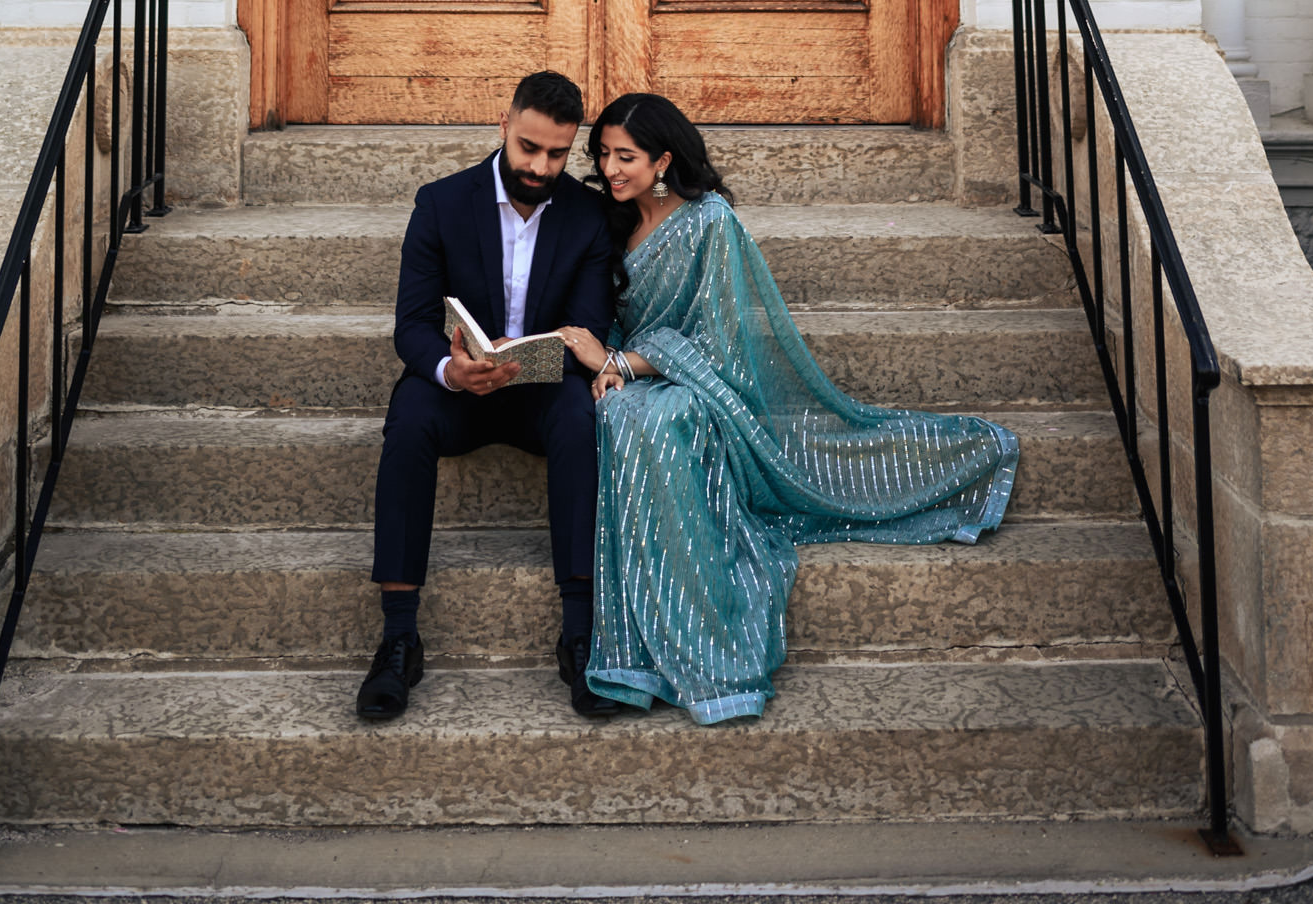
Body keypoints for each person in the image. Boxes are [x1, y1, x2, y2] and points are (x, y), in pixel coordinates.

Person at [558, 92, 1020, 725]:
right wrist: (603, 360)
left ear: (663, 160)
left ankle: (710, 649)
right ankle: (642, 649)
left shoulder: (707, 221)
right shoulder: (604, 220)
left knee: (658, 420)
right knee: (622, 417)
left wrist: (622, 365)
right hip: (628, 378)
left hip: (698, 381)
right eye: (604, 155)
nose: (610, 168)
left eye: (627, 157)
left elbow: (718, 339)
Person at [356, 68, 619, 723]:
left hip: (541, 389)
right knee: (409, 415)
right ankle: (397, 637)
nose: (539, 165)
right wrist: (452, 371)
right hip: (460, 390)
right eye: (529, 147)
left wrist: (538, 353)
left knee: (579, 414)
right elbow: (411, 325)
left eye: (557, 154)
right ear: (503, 126)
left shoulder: (589, 217)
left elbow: (589, 327)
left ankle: (579, 636)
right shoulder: (441, 203)